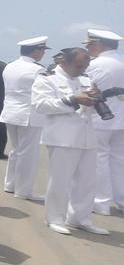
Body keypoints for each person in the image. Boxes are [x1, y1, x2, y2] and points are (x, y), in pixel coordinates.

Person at [32, 48, 109, 235]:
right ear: (63, 62)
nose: (83, 68)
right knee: (61, 180)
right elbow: (41, 105)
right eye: (79, 65)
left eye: (86, 65)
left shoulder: (85, 79)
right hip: (62, 137)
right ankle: (55, 218)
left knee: (87, 181)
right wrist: (73, 99)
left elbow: (89, 102)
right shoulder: (47, 78)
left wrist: (95, 98)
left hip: (87, 136)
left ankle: (80, 218)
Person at [0, 36, 49, 200]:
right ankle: (24, 191)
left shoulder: (9, 66)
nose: (42, 54)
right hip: (29, 114)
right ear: (36, 50)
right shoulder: (37, 69)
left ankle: (10, 184)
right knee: (28, 153)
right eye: (42, 50)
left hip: (10, 112)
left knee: (16, 150)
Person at [84, 29, 124, 216]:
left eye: (91, 45)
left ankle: (101, 203)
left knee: (98, 158)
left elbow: (87, 88)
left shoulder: (96, 64)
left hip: (101, 117)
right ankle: (122, 200)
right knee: (119, 160)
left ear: (100, 44)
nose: (89, 48)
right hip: (121, 117)